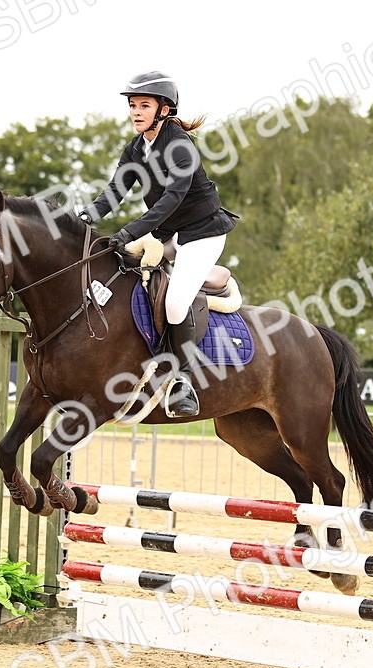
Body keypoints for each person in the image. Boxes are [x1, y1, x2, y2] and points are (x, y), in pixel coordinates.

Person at [78, 71, 238, 418]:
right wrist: (85, 217)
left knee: (176, 304)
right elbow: (115, 191)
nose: (136, 112)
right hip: (169, 233)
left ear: (164, 109)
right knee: (120, 270)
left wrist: (130, 232)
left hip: (203, 233)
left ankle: (183, 381)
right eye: (133, 105)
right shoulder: (137, 148)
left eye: (144, 106)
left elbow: (170, 201)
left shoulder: (180, 147)